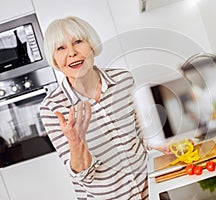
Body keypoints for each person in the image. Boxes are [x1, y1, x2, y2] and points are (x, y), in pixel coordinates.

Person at [40, 16, 151, 200]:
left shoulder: (123, 80)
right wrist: (76, 142)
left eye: (78, 42)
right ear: (55, 60)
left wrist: (162, 142)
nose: (72, 53)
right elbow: (82, 174)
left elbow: (141, 133)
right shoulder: (53, 108)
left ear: (92, 44)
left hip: (150, 188)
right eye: (61, 48)